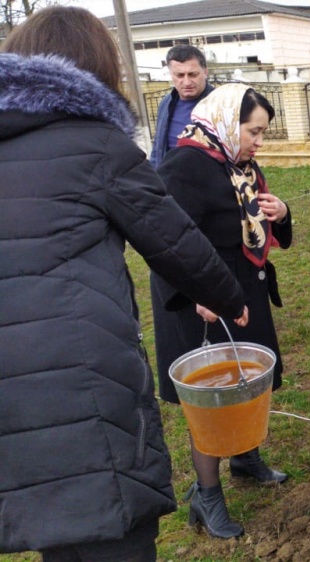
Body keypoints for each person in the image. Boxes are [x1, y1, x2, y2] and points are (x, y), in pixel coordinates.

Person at [0, 7, 248, 561]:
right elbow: (175, 242)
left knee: (53, 522)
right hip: (81, 371)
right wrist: (229, 297)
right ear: (96, 69)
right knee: (110, 524)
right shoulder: (96, 145)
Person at [150, 84, 293, 539]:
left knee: (246, 381)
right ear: (229, 123)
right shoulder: (183, 166)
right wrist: (198, 293)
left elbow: (255, 222)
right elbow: (163, 242)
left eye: (263, 133)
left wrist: (281, 212)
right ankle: (206, 495)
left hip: (241, 290)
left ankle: (246, 459)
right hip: (201, 301)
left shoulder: (237, 162)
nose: (259, 142)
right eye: (254, 131)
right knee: (211, 399)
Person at [150, 45, 214, 168]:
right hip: (168, 177)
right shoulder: (166, 103)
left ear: (205, 73)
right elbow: (158, 148)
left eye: (193, 74)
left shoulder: (221, 104)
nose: (187, 82)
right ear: (171, 74)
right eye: (179, 75)